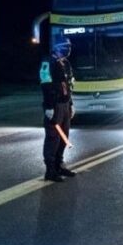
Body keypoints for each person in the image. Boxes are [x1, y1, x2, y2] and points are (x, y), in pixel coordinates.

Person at [40, 37, 76, 182]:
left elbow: (68, 85)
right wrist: (49, 107)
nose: (68, 49)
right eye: (65, 46)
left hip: (65, 104)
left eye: (69, 46)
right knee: (53, 137)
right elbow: (46, 84)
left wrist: (71, 103)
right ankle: (50, 170)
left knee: (63, 136)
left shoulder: (65, 63)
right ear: (56, 48)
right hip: (54, 105)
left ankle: (59, 165)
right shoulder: (48, 62)